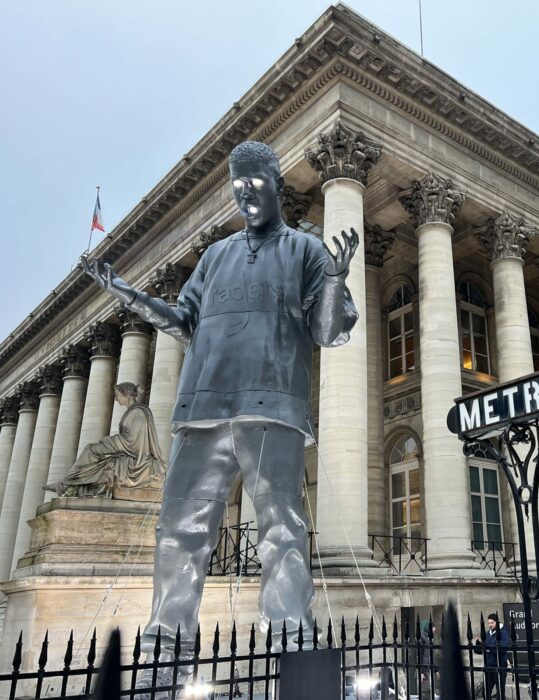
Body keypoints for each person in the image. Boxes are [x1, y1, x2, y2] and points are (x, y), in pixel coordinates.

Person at [80, 141, 359, 686]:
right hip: (203, 405)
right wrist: (132, 297)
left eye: (253, 183)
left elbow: (329, 331)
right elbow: (184, 320)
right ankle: (165, 645)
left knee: (281, 527)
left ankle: (291, 639)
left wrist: (334, 278)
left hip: (273, 405)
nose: (244, 193)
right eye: (236, 185)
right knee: (178, 530)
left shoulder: (305, 249)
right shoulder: (215, 256)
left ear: (277, 184)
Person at [47, 382, 165, 497]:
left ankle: (66, 483)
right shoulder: (134, 412)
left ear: (127, 395)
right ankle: (70, 484)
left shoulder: (138, 413)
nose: (116, 399)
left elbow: (135, 442)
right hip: (125, 447)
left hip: (131, 450)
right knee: (98, 457)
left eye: (117, 395)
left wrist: (111, 442)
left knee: (91, 450)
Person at [476, 612, 510, 699]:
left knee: (500, 694)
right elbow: (479, 651)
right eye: (489, 623)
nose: (490, 625)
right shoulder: (487, 633)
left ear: (497, 622)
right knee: (485, 692)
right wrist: (478, 644)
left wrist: (489, 647)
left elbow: (503, 649)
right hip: (489, 666)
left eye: (492, 623)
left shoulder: (503, 633)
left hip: (500, 666)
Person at [419, 619, 439, 700]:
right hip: (424, 670)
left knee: (430, 692)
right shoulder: (421, 639)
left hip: (429, 669)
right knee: (425, 692)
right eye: (432, 628)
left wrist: (436, 670)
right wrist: (421, 672)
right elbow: (419, 656)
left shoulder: (429, 639)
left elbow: (431, 655)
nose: (434, 630)